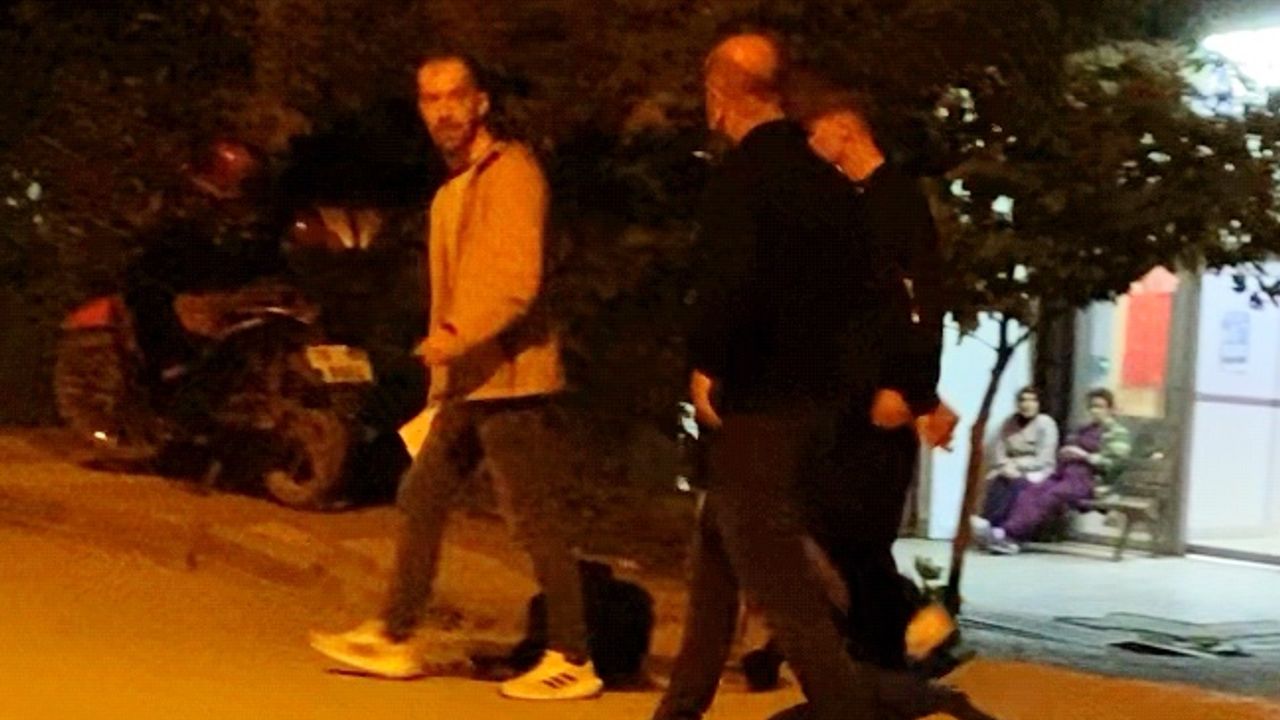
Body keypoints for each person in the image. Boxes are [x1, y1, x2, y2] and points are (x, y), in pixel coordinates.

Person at [655, 33, 993, 720]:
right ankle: (681, 708)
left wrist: (708, 365)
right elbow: (873, 300)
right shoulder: (834, 189)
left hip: (761, 406)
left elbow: (728, 288)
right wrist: (899, 383)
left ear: (719, 95)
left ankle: (887, 704)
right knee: (719, 562)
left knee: (788, 593)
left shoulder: (745, 180)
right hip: (824, 409)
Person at [308, 54, 603, 701]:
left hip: (512, 376)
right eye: (430, 99)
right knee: (422, 494)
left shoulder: (511, 173)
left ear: (480, 103)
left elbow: (514, 280)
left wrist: (452, 336)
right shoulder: (455, 189)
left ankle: (573, 656)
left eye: (454, 97)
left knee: (533, 517)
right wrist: (445, 372)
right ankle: (394, 634)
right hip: (471, 379)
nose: (442, 111)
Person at [785, 78, 959, 673]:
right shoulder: (860, 201)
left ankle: (898, 643)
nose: (813, 147)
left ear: (844, 128)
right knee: (842, 529)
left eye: (815, 133)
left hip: (880, 396)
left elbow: (918, 303)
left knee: (854, 530)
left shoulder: (893, 201)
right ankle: (892, 643)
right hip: (854, 392)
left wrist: (911, 389)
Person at [973, 388, 1132, 555]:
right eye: (1092, 406)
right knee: (1032, 491)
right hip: (1065, 474)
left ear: (1110, 409)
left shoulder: (1117, 433)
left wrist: (1085, 456)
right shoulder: (1083, 429)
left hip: (1090, 480)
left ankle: (1007, 534)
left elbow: (1116, 463)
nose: (1095, 411)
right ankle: (1005, 533)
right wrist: (1066, 454)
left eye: (1100, 407)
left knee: (1050, 495)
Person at [972, 387, 1059, 531]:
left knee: (1018, 483)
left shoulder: (1046, 423)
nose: (1027, 404)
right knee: (998, 480)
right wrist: (1004, 466)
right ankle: (989, 522)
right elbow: (998, 449)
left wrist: (1017, 465)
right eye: (1023, 400)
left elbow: (1044, 458)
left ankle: (1005, 528)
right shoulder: (1009, 422)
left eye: (1032, 400)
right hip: (1009, 467)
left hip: (1037, 469)